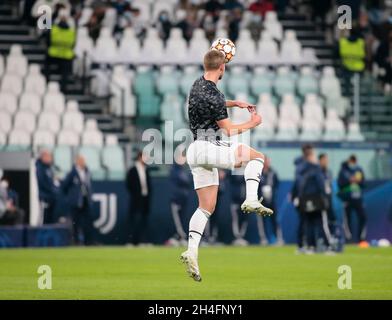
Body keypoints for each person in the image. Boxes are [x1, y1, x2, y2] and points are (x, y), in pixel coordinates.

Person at [181, 49, 273, 281]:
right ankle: (251, 198)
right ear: (222, 68)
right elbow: (229, 130)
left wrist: (234, 103)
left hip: (195, 151)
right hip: (210, 146)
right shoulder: (214, 94)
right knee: (257, 157)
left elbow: (213, 103)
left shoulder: (197, 85)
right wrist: (253, 122)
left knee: (205, 207)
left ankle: (191, 251)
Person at [292, 146, 327, 253]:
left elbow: (297, 183)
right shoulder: (314, 167)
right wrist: (324, 195)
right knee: (318, 222)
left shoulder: (299, 167)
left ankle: (306, 245)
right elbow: (320, 183)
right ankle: (324, 245)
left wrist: (296, 196)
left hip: (303, 198)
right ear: (310, 155)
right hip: (314, 197)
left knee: (306, 222)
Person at [61, 155, 93, 245]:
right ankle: (76, 241)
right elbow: (64, 186)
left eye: (83, 160)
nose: (83, 162)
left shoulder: (87, 171)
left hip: (85, 200)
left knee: (87, 222)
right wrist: (71, 197)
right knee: (75, 222)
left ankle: (88, 241)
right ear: (77, 161)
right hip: (76, 202)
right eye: (81, 160)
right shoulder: (72, 173)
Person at [338, 155, 367, 243]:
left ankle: (361, 238)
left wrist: (359, 181)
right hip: (347, 199)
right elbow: (340, 184)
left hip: (358, 198)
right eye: (351, 161)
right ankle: (349, 239)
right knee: (347, 219)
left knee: (363, 217)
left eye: (354, 161)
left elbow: (363, 183)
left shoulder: (359, 170)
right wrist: (349, 181)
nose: (353, 163)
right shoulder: (343, 171)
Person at [45, 8, 76, 92]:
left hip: (53, 54)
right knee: (65, 72)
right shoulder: (71, 31)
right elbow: (73, 44)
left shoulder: (53, 29)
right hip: (66, 56)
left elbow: (48, 41)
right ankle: (63, 88)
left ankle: (46, 81)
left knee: (47, 65)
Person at [166, 151, 193, 246]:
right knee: (177, 221)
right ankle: (180, 236)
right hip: (176, 200)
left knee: (182, 219)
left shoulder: (183, 169)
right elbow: (184, 179)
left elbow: (188, 180)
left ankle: (178, 237)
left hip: (183, 199)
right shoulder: (174, 169)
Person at [126, 151, 152, 245]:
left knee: (143, 221)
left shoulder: (146, 170)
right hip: (136, 200)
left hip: (145, 199)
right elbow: (129, 184)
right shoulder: (132, 170)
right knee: (134, 221)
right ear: (140, 157)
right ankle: (132, 241)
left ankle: (143, 240)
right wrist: (136, 194)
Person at [258, 157, 283, 245]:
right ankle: (263, 239)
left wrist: (273, 193)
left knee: (275, 220)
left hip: (272, 201)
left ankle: (278, 238)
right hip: (261, 201)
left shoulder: (273, 172)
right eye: (265, 161)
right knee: (262, 222)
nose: (267, 163)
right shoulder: (258, 172)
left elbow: (277, 184)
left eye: (268, 161)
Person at [36, 149, 59, 224]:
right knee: (44, 218)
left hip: (51, 197)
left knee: (51, 218)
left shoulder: (49, 168)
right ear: (43, 157)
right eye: (48, 156)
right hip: (44, 197)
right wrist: (53, 190)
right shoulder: (39, 168)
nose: (50, 159)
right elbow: (42, 182)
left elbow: (52, 182)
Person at [230, 170, 250, 245]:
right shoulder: (234, 171)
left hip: (245, 200)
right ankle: (237, 237)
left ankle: (241, 237)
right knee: (235, 218)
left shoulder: (249, 171)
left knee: (244, 219)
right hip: (235, 200)